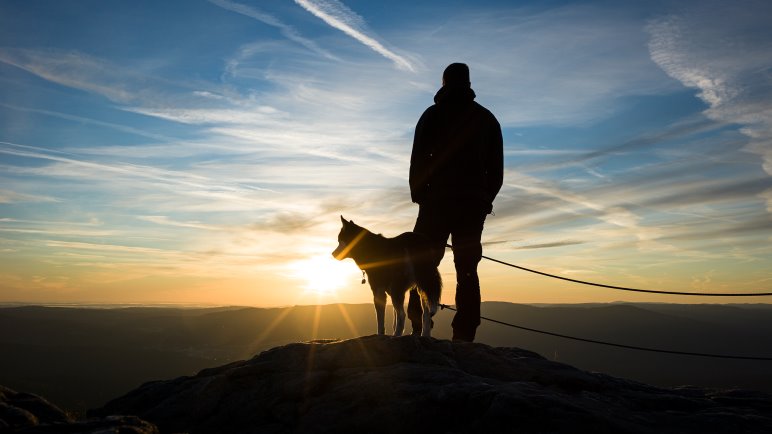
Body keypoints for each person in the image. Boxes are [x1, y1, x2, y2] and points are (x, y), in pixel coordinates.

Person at [407, 62, 503, 342]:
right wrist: (485, 199)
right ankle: (465, 333)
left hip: (435, 203)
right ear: (469, 84)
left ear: (444, 83)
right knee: (468, 268)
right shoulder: (486, 119)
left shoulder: (432, 115)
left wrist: (420, 195)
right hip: (472, 206)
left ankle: (416, 327)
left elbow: (418, 160)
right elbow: (495, 170)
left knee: (421, 263)